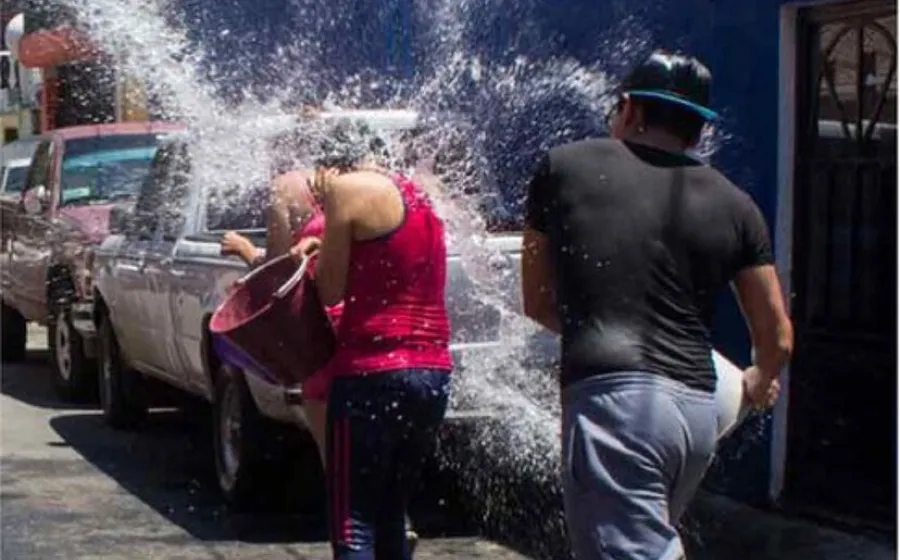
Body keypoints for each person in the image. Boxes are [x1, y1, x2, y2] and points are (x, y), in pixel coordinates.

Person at [521, 50, 794, 559]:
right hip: (698, 410)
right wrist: (758, 380)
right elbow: (777, 335)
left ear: (629, 109)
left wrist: (593, 328)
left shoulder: (565, 167)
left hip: (618, 407)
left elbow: (536, 300)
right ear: (698, 130)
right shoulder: (737, 204)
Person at [297, 119, 452, 560]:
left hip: (370, 372)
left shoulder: (347, 191)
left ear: (332, 165)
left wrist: (327, 212)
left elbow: (328, 290)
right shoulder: (423, 196)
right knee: (391, 515)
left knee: (353, 521)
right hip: (433, 373)